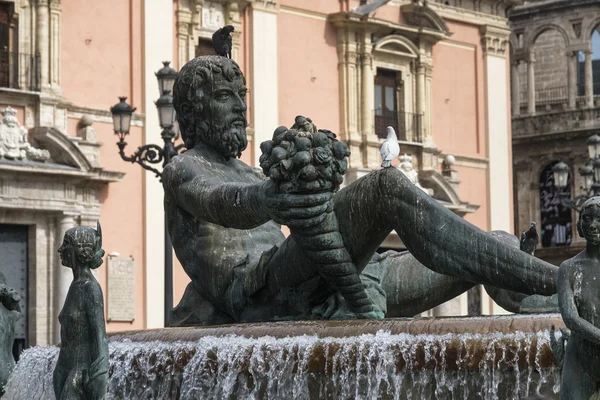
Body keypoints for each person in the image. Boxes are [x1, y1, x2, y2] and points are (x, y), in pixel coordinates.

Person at [163, 55, 558, 325]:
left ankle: (547, 301)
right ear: (194, 111)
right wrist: (269, 198)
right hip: (262, 291)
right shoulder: (184, 167)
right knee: (382, 188)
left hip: (320, 283)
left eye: (241, 96)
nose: (239, 107)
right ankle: (562, 280)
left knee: (501, 241)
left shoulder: (249, 171)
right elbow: (219, 204)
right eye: (223, 96)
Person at [53, 224, 108, 400]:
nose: (60, 249)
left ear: (78, 250)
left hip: (79, 374)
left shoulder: (91, 288)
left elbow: (100, 337)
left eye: (66, 245)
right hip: (64, 369)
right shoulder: (74, 286)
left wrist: (98, 378)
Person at [557, 197, 600, 399]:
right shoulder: (569, 268)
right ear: (579, 226)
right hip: (580, 359)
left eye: (599, 218)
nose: (592, 225)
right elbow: (570, 318)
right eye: (587, 218)